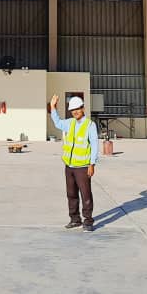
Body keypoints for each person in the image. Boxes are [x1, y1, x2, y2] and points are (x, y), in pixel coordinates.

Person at [49, 93, 99, 231]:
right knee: (71, 194)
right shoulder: (69, 123)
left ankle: (88, 221)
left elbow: (94, 144)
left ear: (83, 108)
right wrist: (53, 107)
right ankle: (75, 219)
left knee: (86, 194)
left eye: (77, 108)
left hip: (83, 167)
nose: (75, 112)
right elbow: (58, 123)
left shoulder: (90, 125)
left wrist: (92, 164)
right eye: (73, 110)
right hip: (69, 166)